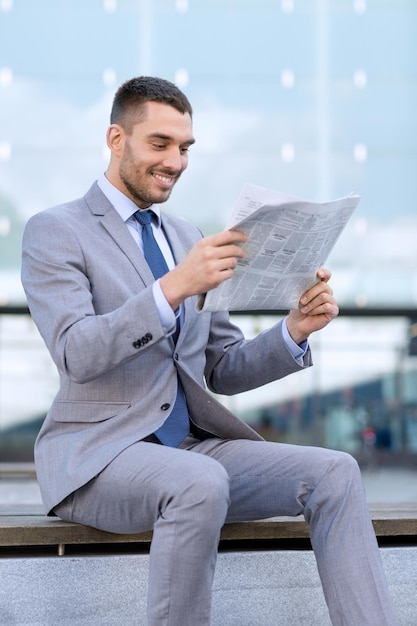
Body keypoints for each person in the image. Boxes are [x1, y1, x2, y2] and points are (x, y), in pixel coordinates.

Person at [21, 76, 398, 626]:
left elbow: (221, 367)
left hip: (193, 452)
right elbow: (76, 351)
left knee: (336, 471)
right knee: (198, 481)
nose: (176, 161)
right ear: (116, 139)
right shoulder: (56, 231)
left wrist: (294, 330)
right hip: (97, 459)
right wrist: (173, 287)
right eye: (160, 144)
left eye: (185, 148)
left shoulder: (184, 234)